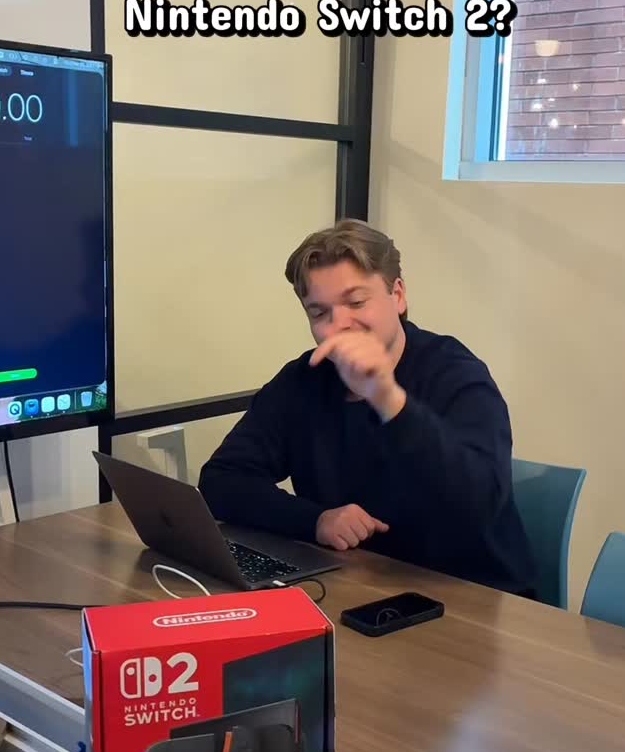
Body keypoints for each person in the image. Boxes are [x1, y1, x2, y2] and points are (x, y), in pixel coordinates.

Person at [199, 220, 536, 595]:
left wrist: (387, 398)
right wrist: (316, 521)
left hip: (471, 595)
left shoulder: (456, 374)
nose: (339, 325)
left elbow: (478, 506)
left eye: (356, 302)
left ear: (398, 295)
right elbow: (221, 480)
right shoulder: (303, 380)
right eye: (319, 313)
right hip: (359, 582)